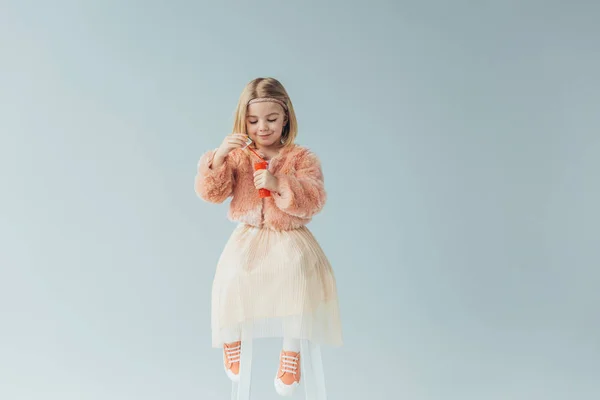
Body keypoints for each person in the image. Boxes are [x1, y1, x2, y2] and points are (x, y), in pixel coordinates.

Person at [194, 77, 342, 396]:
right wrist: (218, 158)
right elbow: (211, 192)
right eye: (254, 120)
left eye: (272, 119)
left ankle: (291, 351)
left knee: (297, 277)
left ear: (286, 117)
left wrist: (280, 184)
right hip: (249, 237)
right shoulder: (238, 156)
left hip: (288, 236)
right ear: (243, 120)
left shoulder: (301, 157)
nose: (263, 127)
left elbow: (315, 197)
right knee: (230, 277)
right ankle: (231, 338)